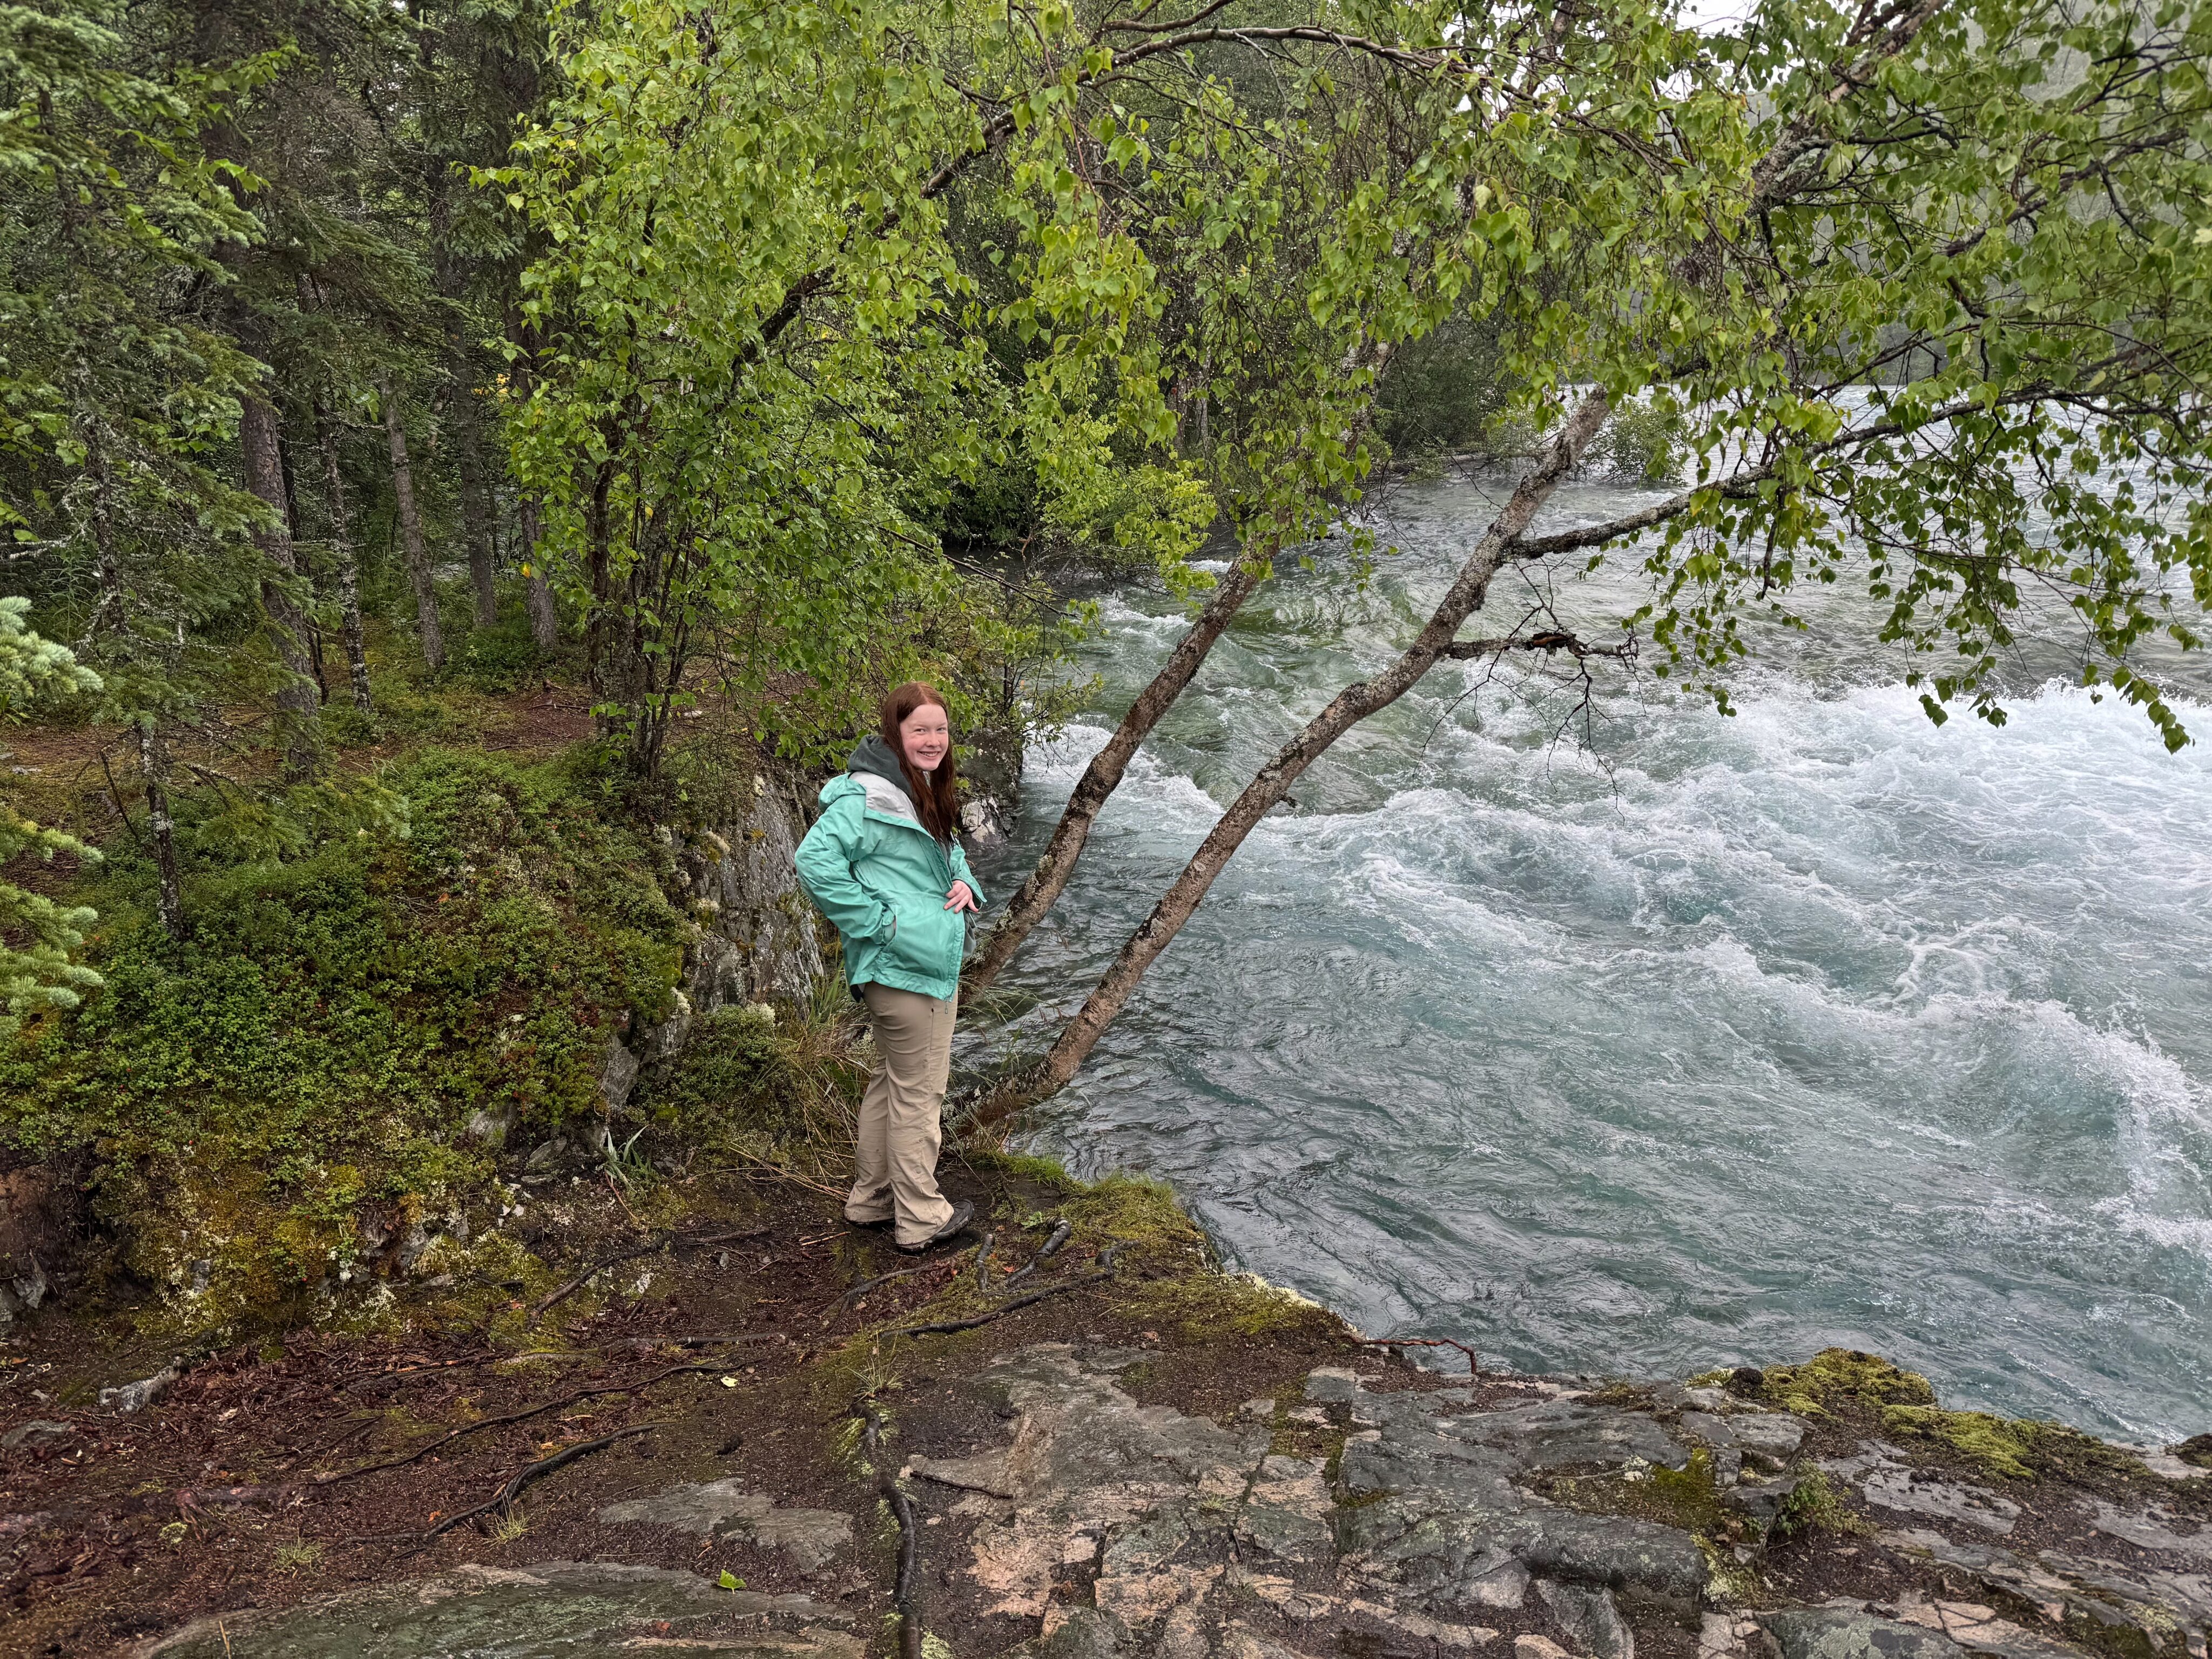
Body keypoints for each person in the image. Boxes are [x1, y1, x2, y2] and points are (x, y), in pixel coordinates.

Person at [793, 682, 984, 1252]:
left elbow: (948, 854)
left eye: (940, 730)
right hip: (905, 964)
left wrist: (964, 882)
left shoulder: (913, 786)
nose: (932, 741)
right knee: (919, 1094)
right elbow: (813, 861)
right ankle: (922, 1218)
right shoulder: (868, 799)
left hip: (904, 966)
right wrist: (881, 924)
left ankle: (872, 1199)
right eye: (919, 730)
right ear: (894, 734)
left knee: (892, 1084)